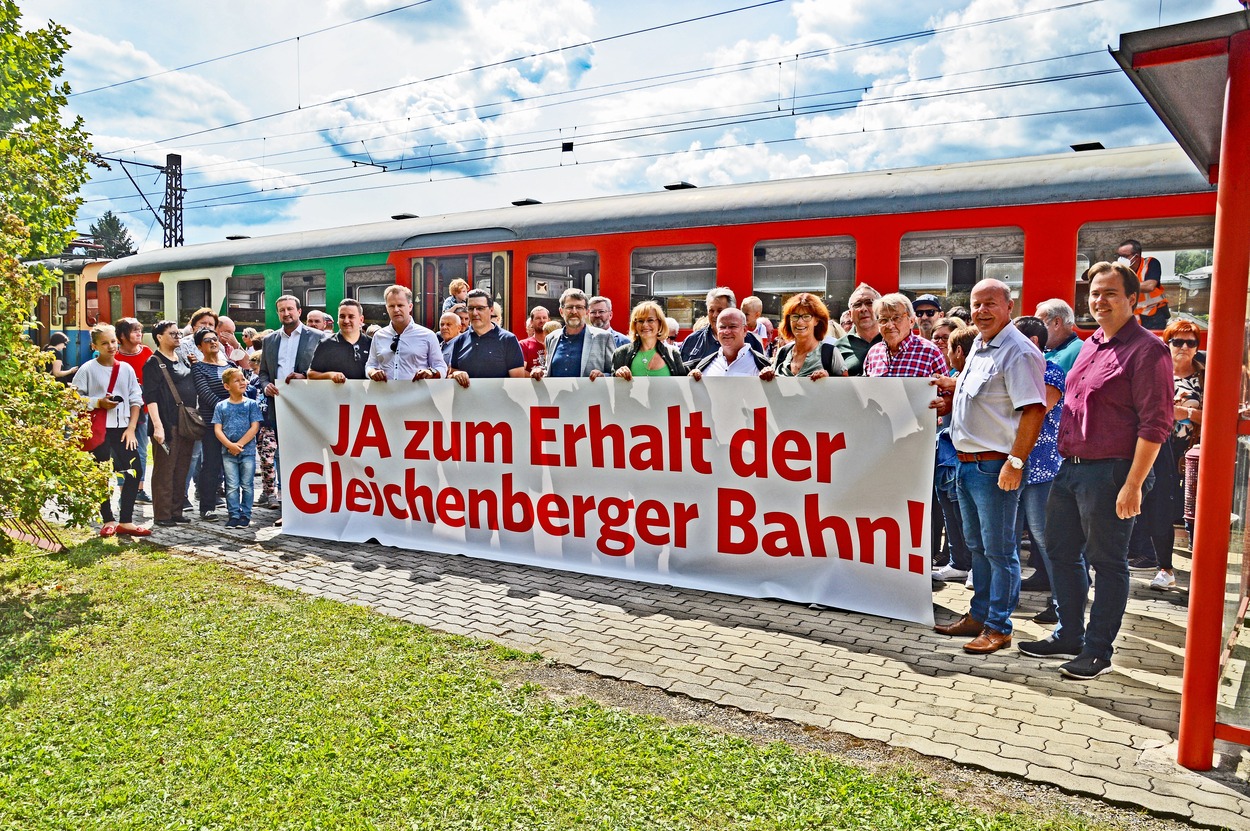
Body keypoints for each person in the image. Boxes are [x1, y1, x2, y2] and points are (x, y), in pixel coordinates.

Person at [1017, 261, 1172, 680]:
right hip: (1070, 469)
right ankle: (1070, 634)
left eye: (1109, 293)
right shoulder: (1091, 344)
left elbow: (1156, 424)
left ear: (1133, 300)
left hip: (1113, 473)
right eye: (1094, 293)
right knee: (1061, 554)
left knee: (1108, 563)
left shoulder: (1148, 349)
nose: (1099, 301)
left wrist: (1134, 484)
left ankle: (1098, 651)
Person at [931, 279, 1046, 655]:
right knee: (978, 547)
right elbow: (985, 402)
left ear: (1009, 306)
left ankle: (999, 626)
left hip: (994, 466)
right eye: (976, 304)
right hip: (966, 465)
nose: (981, 311)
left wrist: (1015, 462)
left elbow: (1033, 410)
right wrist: (950, 408)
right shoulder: (980, 345)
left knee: (999, 550)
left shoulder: (1018, 351)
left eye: (990, 304)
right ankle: (978, 615)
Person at [1139, 320, 1205, 591]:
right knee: (1161, 507)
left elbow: (1221, 415)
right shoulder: (1157, 371)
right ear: (1167, 344)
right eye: (1177, 342)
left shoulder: (1205, 375)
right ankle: (1165, 567)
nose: (1184, 348)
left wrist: (1187, 413)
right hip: (1161, 449)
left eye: (1190, 342)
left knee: (1196, 511)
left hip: (1195, 452)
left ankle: (1203, 566)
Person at [1011, 316, 1068, 624]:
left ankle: (1064, 603)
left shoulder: (1052, 371)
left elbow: (1038, 408)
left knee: (1046, 536)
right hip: (1017, 464)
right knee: (1025, 535)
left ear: (1032, 342)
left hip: (1042, 466)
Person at [73, 324, 149, 537]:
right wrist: (98, 403)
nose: (111, 346)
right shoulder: (87, 369)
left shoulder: (126, 369)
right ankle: (108, 519)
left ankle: (126, 520)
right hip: (98, 431)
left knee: (135, 471)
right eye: (105, 343)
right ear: (94, 345)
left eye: (113, 341)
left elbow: (136, 399)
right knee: (100, 475)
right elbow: (74, 400)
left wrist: (132, 428)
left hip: (124, 429)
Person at [932, 326, 978, 584]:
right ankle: (958, 563)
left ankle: (973, 567)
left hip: (961, 458)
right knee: (951, 515)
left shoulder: (969, 380)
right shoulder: (952, 376)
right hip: (945, 457)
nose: (947, 354)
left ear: (959, 351)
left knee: (965, 517)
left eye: (949, 349)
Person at [143, 320, 197, 527]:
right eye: (172, 334)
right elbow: (151, 396)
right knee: (164, 470)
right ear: (159, 337)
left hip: (185, 423)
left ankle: (176, 511)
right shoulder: (153, 363)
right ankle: (162, 514)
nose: (177, 337)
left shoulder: (182, 358)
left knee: (181, 468)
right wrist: (157, 426)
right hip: (166, 423)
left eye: (178, 334)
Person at [192, 328, 236, 521]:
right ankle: (207, 506)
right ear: (200, 346)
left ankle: (236, 506)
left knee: (235, 465)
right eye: (207, 340)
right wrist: (228, 409)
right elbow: (205, 393)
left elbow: (242, 386)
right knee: (211, 464)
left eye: (215, 339)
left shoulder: (231, 364)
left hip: (236, 424)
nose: (212, 342)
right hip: (213, 424)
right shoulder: (199, 368)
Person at [213, 367, 263, 528]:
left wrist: (239, 445)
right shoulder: (221, 406)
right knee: (232, 485)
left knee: (247, 485)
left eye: (243, 379)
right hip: (228, 453)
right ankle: (233, 514)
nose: (242, 382)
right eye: (237, 380)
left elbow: (254, 427)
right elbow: (217, 429)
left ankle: (245, 515)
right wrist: (229, 445)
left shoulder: (251, 404)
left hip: (247, 452)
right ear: (227, 386)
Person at [448, 289, 527, 386]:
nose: (475, 313)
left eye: (480, 308)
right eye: (471, 308)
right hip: (467, 400)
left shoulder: (508, 340)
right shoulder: (460, 340)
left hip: (498, 400)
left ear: (491, 310)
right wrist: (455, 374)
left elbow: (518, 382)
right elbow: (451, 375)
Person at [366, 285, 445, 382]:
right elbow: (370, 365)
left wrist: (432, 372)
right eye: (391, 306)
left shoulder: (428, 335)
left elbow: (441, 367)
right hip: (386, 395)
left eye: (400, 305)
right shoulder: (378, 336)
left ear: (410, 306)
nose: (396, 310)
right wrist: (372, 371)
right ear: (386, 308)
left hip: (417, 396)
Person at [531, 288, 614, 380]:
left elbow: (614, 373)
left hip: (589, 394)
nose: (574, 312)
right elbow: (549, 370)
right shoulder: (551, 338)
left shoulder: (603, 337)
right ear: (561, 312)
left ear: (587, 312)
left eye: (579, 307)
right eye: (569, 307)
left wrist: (603, 376)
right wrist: (539, 371)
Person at [114, 317, 153, 504]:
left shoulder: (146, 352)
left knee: (142, 450)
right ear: (122, 336)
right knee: (121, 451)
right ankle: (123, 491)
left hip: (142, 409)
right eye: (134, 331)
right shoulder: (115, 356)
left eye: (140, 330)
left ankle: (139, 489)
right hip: (119, 412)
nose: (139, 334)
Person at [862, 294, 947, 378]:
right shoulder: (873, 353)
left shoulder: (931, 352)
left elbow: (946, 390)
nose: (890, 325)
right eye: (883, 320)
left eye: (896, 318)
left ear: (911, 321)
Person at [679, 287, 763, 369]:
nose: (715, 315)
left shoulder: (752, 341)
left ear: (731, 310)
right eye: (711, 311)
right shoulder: (692, 341)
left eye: (720, 310)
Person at [770, 293, 845, 379]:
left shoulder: (830, 353)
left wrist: (828, 380)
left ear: (817, 320)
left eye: (806, 316)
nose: (799, 322)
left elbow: (845, 387)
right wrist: (767, 374)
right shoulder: (783, 353)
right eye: (795, 316)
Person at [611, 301, 687, 379]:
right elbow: (613, 386)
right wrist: (618, 374)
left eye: (650, 320)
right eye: (640, 321)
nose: (645, 325)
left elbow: (683, 383)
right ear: (635, 325)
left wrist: (693, 375)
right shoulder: (621, 353)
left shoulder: (673, 353)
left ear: (660, 323)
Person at [689, 309, 772, 379]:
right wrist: (692, 380)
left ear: (745, 330)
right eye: (722, 327)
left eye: (733, 326)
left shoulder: (761, 365)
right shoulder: (704, 366)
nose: (727, 331)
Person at [308, 299, 372, 382]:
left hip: (365, 395)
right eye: (342, 316)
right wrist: (330, 375)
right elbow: (311, 374)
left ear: (361, 320)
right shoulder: (326, 344)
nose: (346, 321)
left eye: (351, 316)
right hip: (334, 394)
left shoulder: (371, 343)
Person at [1117, 239, 1169, 330]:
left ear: (1136, 256)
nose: (1121, 259)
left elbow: (1150, 286)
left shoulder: (1151, 263)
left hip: (1154, 315)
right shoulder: (1120, 269)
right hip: (1133, 316)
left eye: (1124, 256)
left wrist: (1122, 285)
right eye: (1119, 256)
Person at [835, 283, 883, 376]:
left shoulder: (891, 340)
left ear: (880, 309)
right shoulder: (838, 347)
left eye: (869, 303)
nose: (863, 309)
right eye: (857, 305)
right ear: (850, 314)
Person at [1034, 299, 1083, 374]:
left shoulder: (1080, 350)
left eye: (1039, 323)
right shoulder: (1043, 349)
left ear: (1056, 323)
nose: (1036, 329)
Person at [518, 306, 551, 370]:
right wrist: (535, 378)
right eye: (538, 318)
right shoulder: (523, 345)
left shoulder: (556, 343)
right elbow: (521, 371)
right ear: (531, 322)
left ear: (549, 320)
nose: (542, 320)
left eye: (544, 318)